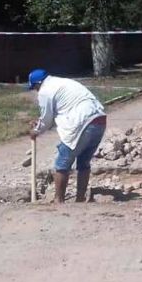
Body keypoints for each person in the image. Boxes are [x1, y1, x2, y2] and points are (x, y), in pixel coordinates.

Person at [27, 69, 107, 203]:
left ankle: (59, 201)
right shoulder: (63, 82)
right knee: (83, 162)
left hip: (81, 121)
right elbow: (57, 114)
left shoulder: (45, 91)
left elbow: (47, 119)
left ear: (38, 84)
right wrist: (40, 123)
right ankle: (80, 200)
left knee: (62, 163)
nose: (36, 91)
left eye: (35, 87)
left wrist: (36, 131)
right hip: (99, 120)